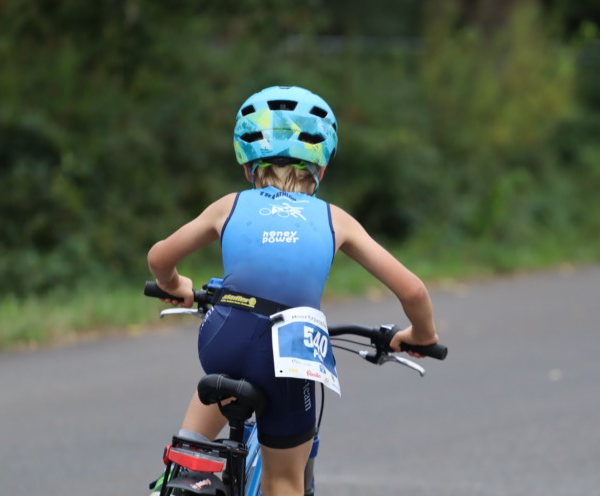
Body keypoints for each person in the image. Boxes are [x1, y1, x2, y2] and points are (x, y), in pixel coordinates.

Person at [147, 85, 438, 496]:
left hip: (221, 333)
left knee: (221, 379)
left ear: (247, 166)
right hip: (288, 351)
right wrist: (421, 335)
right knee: (284, 480)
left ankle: (183, 466)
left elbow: (159, 257)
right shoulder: (335, 219)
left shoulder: (229, 206)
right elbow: (414, 292)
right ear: (321, 167)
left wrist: (176, 286)